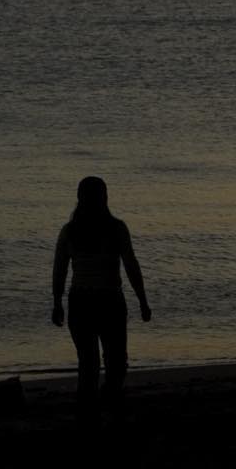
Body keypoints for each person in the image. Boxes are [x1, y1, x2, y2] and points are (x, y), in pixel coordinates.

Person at [52, 176, 151, 424]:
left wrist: (57, 303)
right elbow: (131, 266)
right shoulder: (114, 229)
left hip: (83, 302)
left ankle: (91, 412)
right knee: (114, 362)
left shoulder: (71, 231)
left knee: (91, 363)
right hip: (107, 302)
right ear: (104, 198)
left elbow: (59, 270)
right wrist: (142, 300)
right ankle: (104, 406)